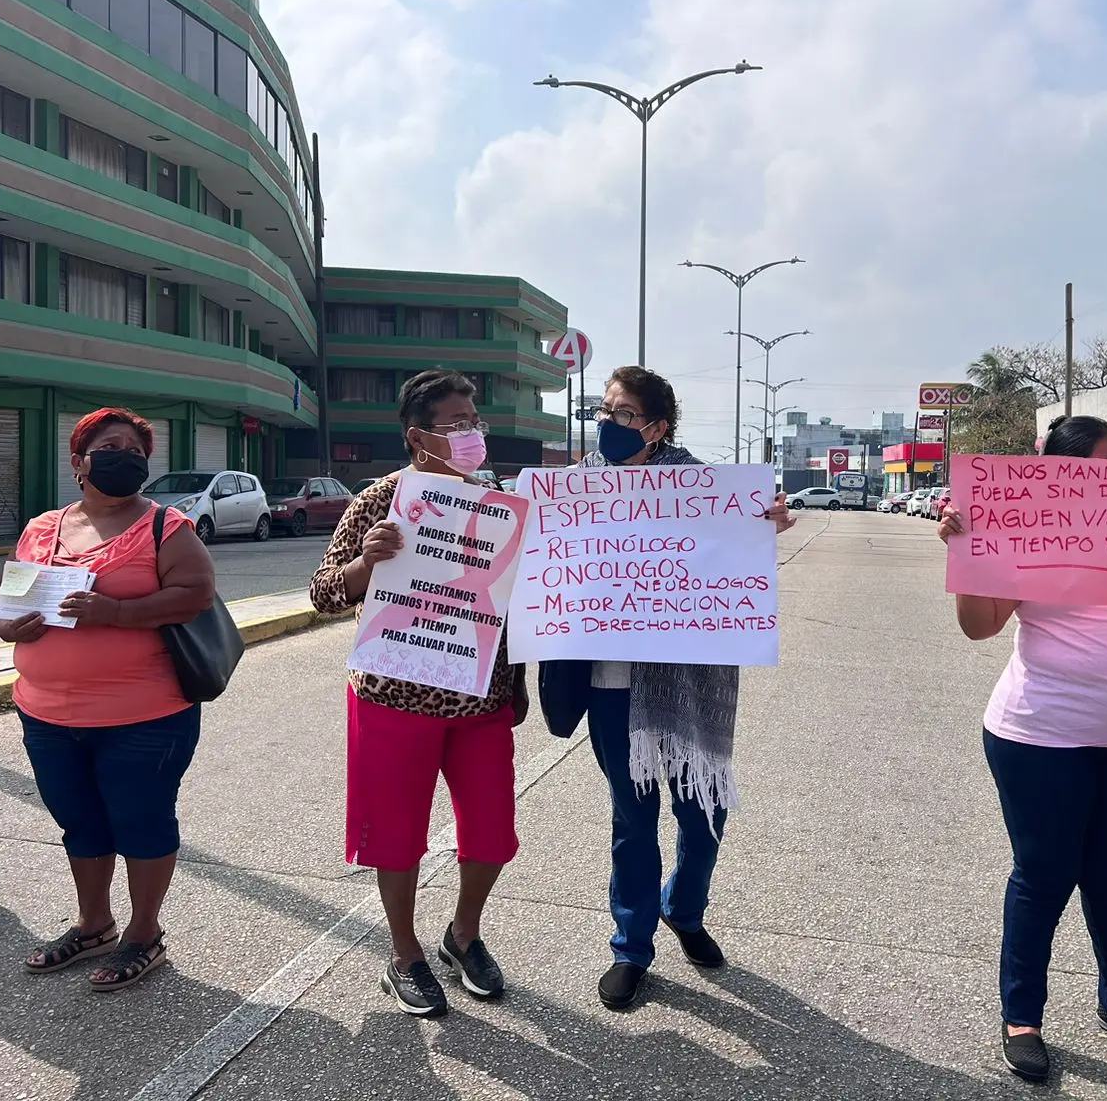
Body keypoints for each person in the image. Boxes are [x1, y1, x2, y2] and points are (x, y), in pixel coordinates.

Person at [937, 414, 1107, 1082]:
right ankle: (1022, 1016)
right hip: (1038, 736)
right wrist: (967, 555)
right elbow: (979, 627)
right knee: (1044, 876)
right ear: (1064, 470)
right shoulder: (1026, 525)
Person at [538, 366, 796, 1011]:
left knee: (703, 810)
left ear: (657, 425)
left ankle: (684, 908)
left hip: (691, 684)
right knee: (633, 817)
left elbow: (733, 558)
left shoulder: (706, 488)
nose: (607, 423)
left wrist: (765, 524)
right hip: (613, 683)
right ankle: (631, 945)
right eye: (604, 409)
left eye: (623, 413)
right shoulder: (575, 489)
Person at [310, 369, 526, 1019]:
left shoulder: (499, 508)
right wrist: (364, 563)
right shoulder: (380, 500)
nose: (472, 434)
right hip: (392, 699)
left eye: (474, 422)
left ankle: (462, 936)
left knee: (492, 834)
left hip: (479, 702)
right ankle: (404, 954)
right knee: (396, 837)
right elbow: (323, 592)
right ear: (417, 435)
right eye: (456, 424)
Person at [0, 408, 215, 990]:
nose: (125, 456)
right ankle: (93, 926)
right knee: (79, 823)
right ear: (79, 461)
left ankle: (143, 934)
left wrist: (116, 613)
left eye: (136, 450)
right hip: (46, 712)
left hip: (146, 715)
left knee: (140, 821)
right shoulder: (41, 528)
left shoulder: (167, 528)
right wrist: (6, 625)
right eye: (111, 446)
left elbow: (196, 595)